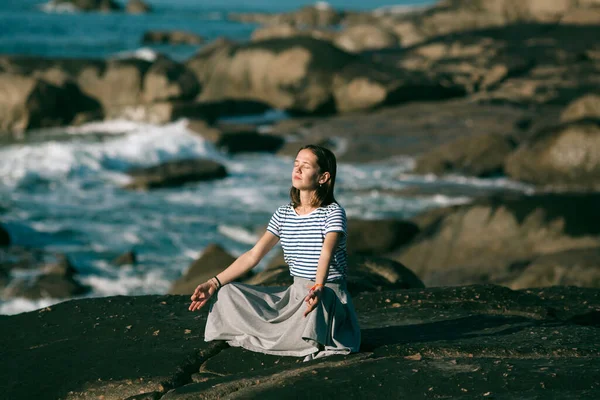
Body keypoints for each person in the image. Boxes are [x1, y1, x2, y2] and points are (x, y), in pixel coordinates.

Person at [188, 144, 361, 361]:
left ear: (323, 177)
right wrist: (213, 283)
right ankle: (292, 336)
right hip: (295, 296)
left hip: (324, 294)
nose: (297, 170)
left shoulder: (333, 213)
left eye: (305, 166)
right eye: (295, 164)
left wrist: (318, 285)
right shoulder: (283, 214)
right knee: (226, 293)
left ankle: (308, 338)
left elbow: (326, 252)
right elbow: (254, 255)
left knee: (321, 301)